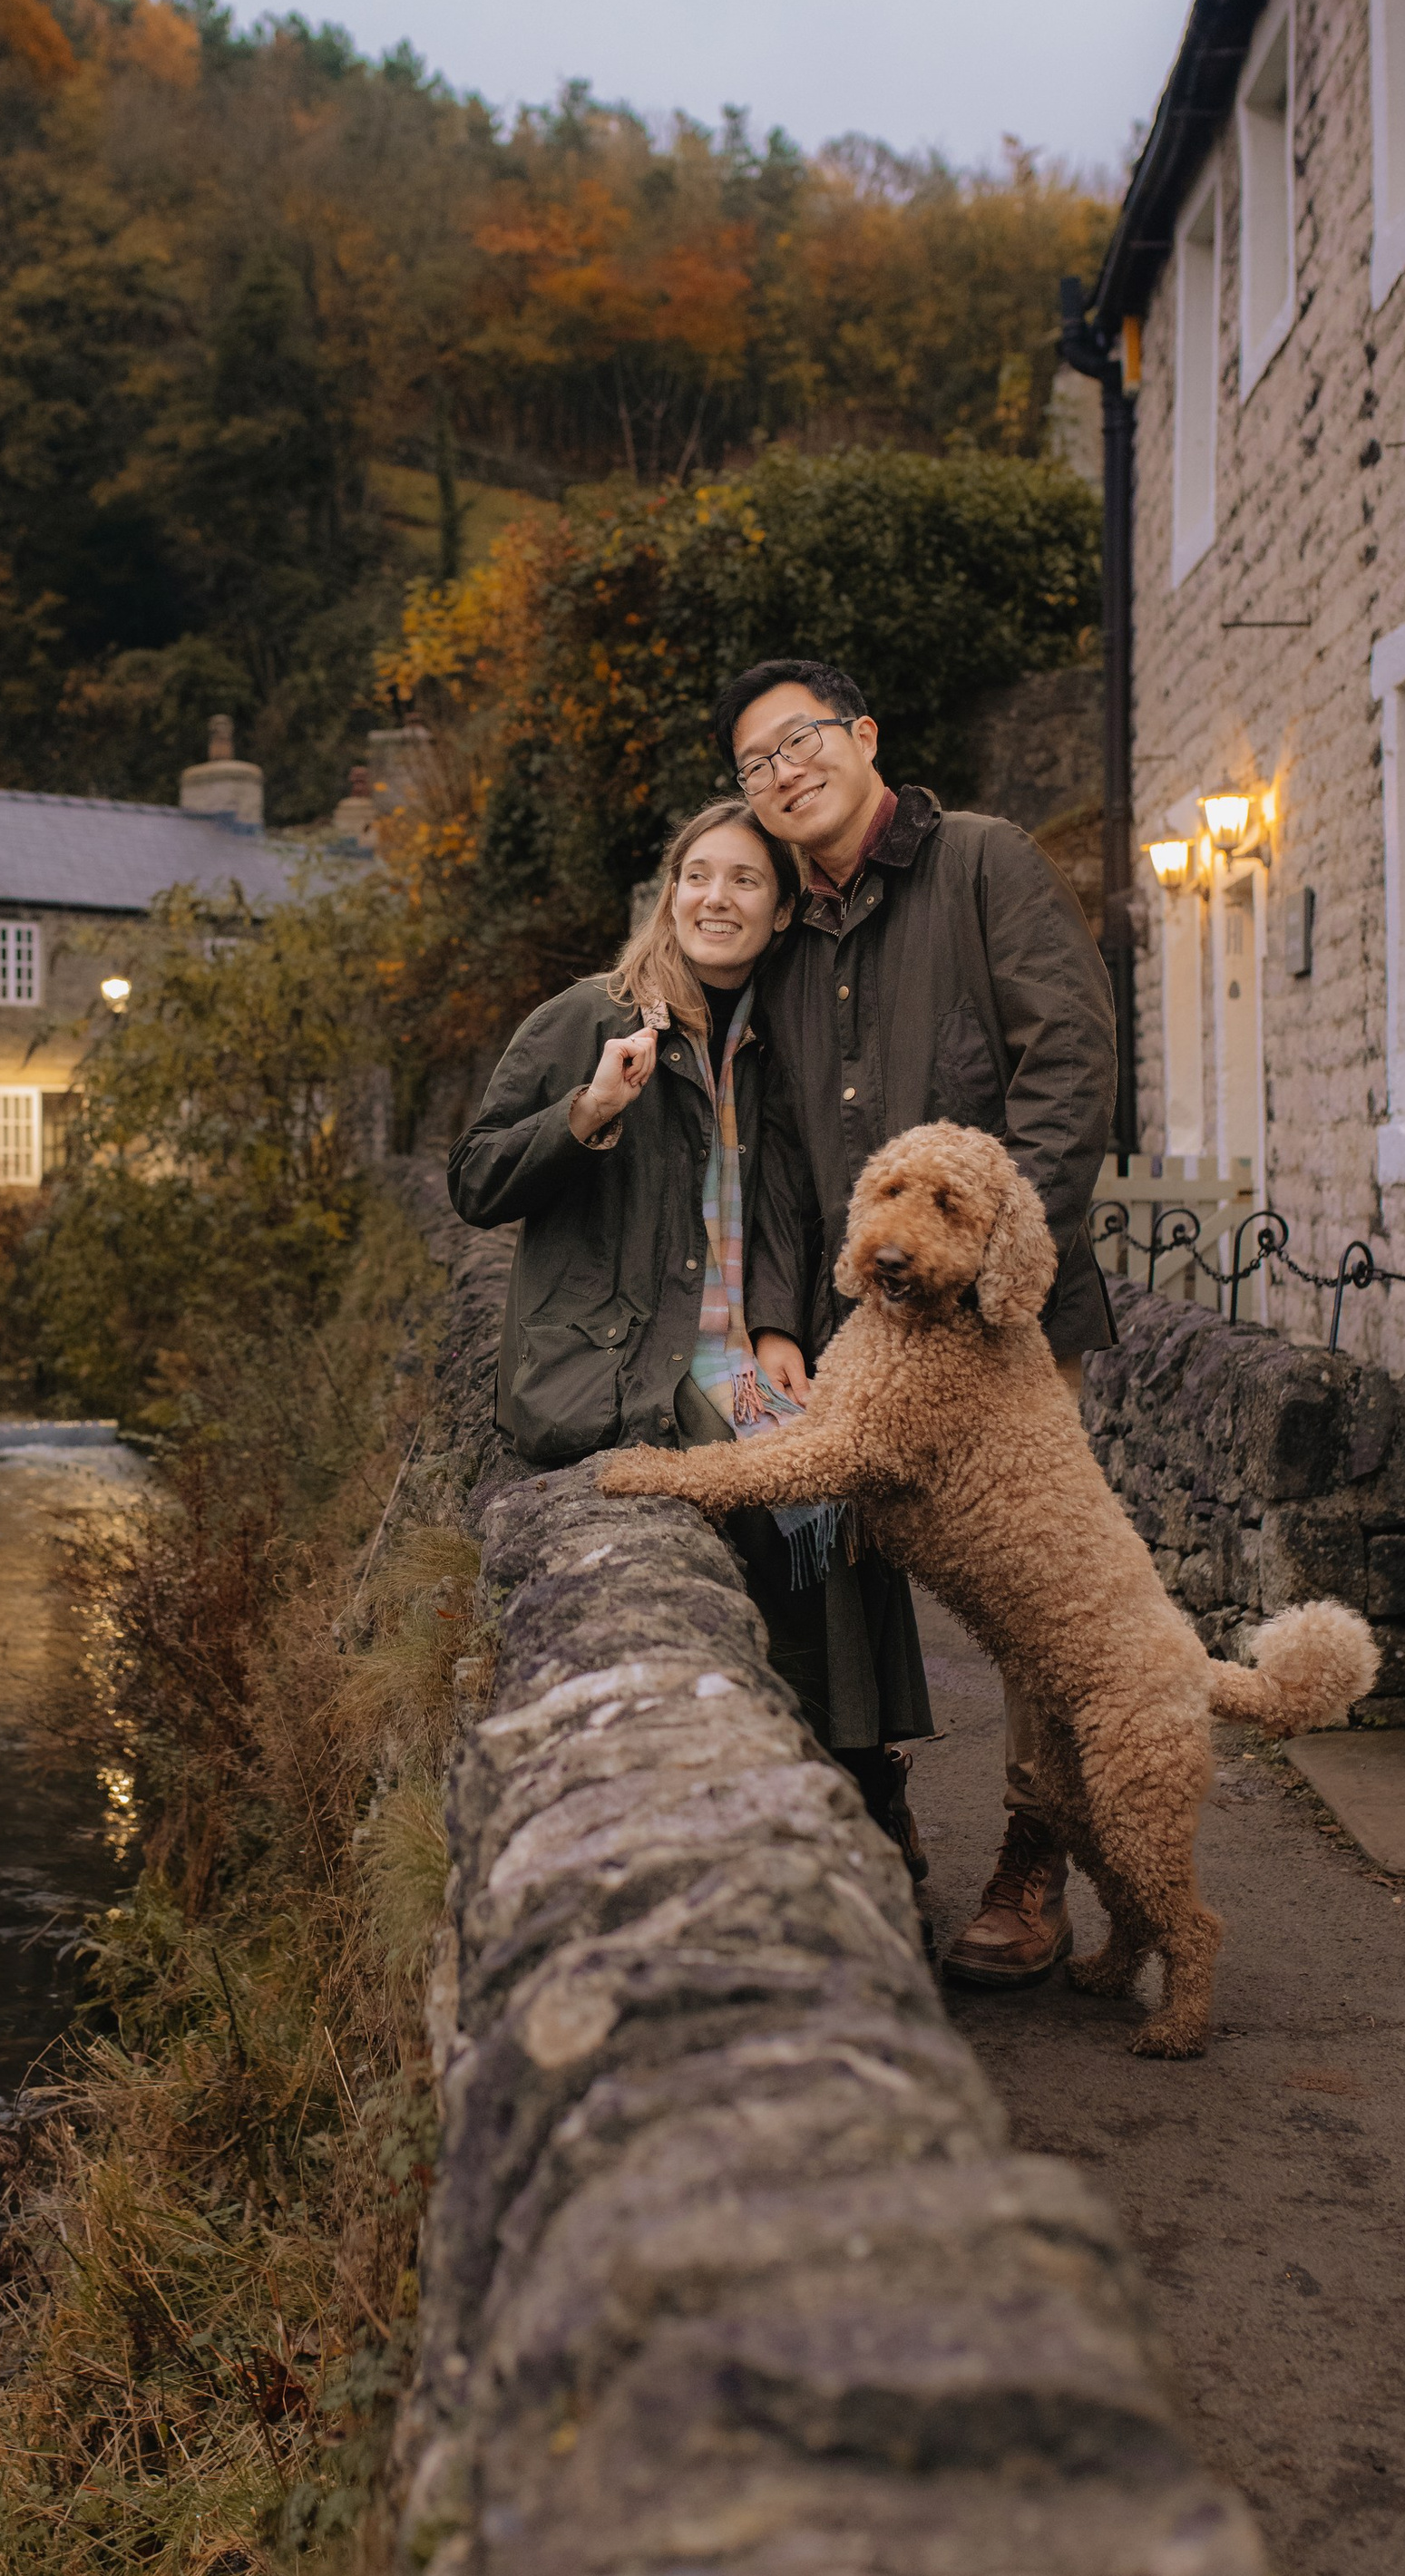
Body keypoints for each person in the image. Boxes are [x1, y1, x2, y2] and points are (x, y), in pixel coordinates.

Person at [717, 655, 1117, 1989]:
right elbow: (774, 1154)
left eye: (803, 738)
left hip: (1005, 1316)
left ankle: (1034, 1859)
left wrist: (997, 1266)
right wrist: (778, 1317)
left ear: (864, 735)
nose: (784, 770)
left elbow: (1071, 1057)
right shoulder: (780, 939)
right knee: (836, 1537)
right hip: (859, 1325)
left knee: (1037, 1592)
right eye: (756, 762)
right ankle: (872, 1805)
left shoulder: (986, 865)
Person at [445, 796, 934, 1865]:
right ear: (671, 895)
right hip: (620, 1366)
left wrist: (776, 1330)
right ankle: (810, 1780)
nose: (717, 897)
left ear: (778, 907)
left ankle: (859, 1771)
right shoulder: (593, 1016)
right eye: (699, 875)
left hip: (729, 1355)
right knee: (767, 1502)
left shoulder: (777, 1041)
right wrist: (583, 1113)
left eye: (745, 881)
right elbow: (474, 1180)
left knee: (830, 1496)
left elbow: (796, 1211)